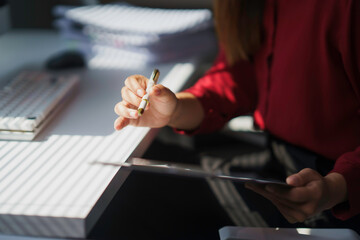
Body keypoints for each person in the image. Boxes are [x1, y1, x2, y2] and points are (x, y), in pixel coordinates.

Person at [114, 0, 360, 230]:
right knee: (147, 162)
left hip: (328, 190)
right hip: (278, 160)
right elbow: (237, 76)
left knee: (131, 200)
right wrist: (175, 109)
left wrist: (335, 188)